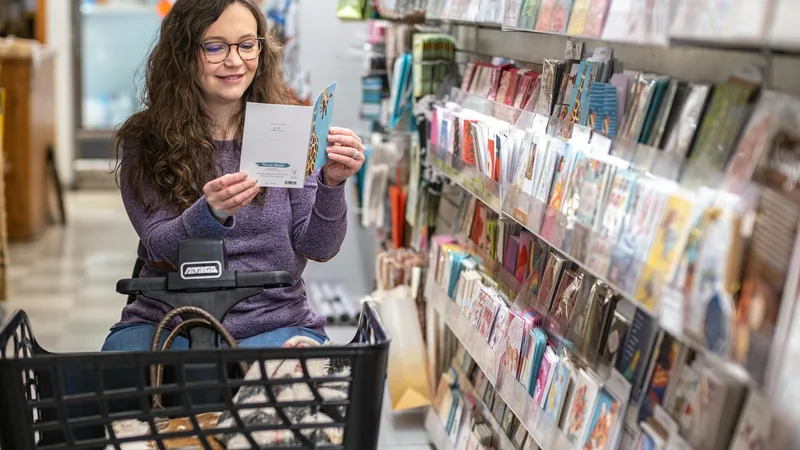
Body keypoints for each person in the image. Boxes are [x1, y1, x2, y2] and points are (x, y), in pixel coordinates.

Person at [106, 0, 365, 351]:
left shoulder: (286, 128)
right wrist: (210, 213)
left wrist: (331, 184)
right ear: (182, 53)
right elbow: (160, 248)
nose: (235, 61)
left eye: (246, 45)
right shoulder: (146, 138)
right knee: (122, 380)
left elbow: (318, 247)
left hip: (274, 321)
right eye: (215, 47)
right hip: (168, 321)